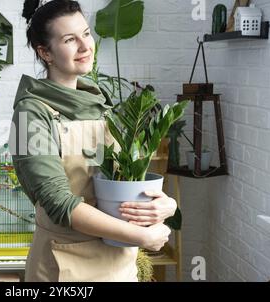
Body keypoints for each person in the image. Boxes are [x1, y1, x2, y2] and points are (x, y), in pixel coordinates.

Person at [9, 0, 177, 282]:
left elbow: (122, 182)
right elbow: (59, 202)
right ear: (45, 53)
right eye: (69, 39)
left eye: (86, 34)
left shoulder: (101, 106)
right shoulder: (31, 113)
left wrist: (164, 205)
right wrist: (141, 235)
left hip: (119, 265)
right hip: (64, 266)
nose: (85, 46)